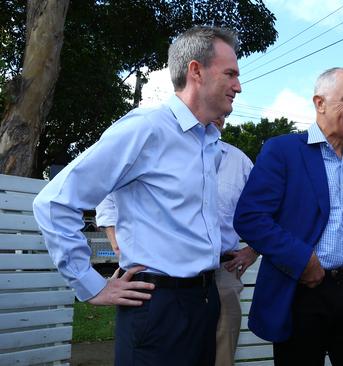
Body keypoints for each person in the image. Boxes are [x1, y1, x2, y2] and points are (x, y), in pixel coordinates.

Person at [32, 26, 242, 365]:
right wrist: (90, 284)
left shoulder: (209, 143)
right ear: (196, 71)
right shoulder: (147, 128)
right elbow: (54, 201)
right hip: (157, 308)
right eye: (230, 73)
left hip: (205, 301)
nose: (238, 86)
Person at [233, 67, 343, 365]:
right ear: (320, 103)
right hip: (301, 293)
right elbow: (251, 217)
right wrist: (302, 260)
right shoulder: (282, 150)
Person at [94, 115, 256, 366]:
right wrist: (116, 244)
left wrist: (253, 251)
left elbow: (266, 211)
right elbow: (106, 196)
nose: (221, 112)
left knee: (220, 356)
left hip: (221, 273)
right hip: (155, 279)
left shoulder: (239, 161)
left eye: (224, 110)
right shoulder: (155, 144)